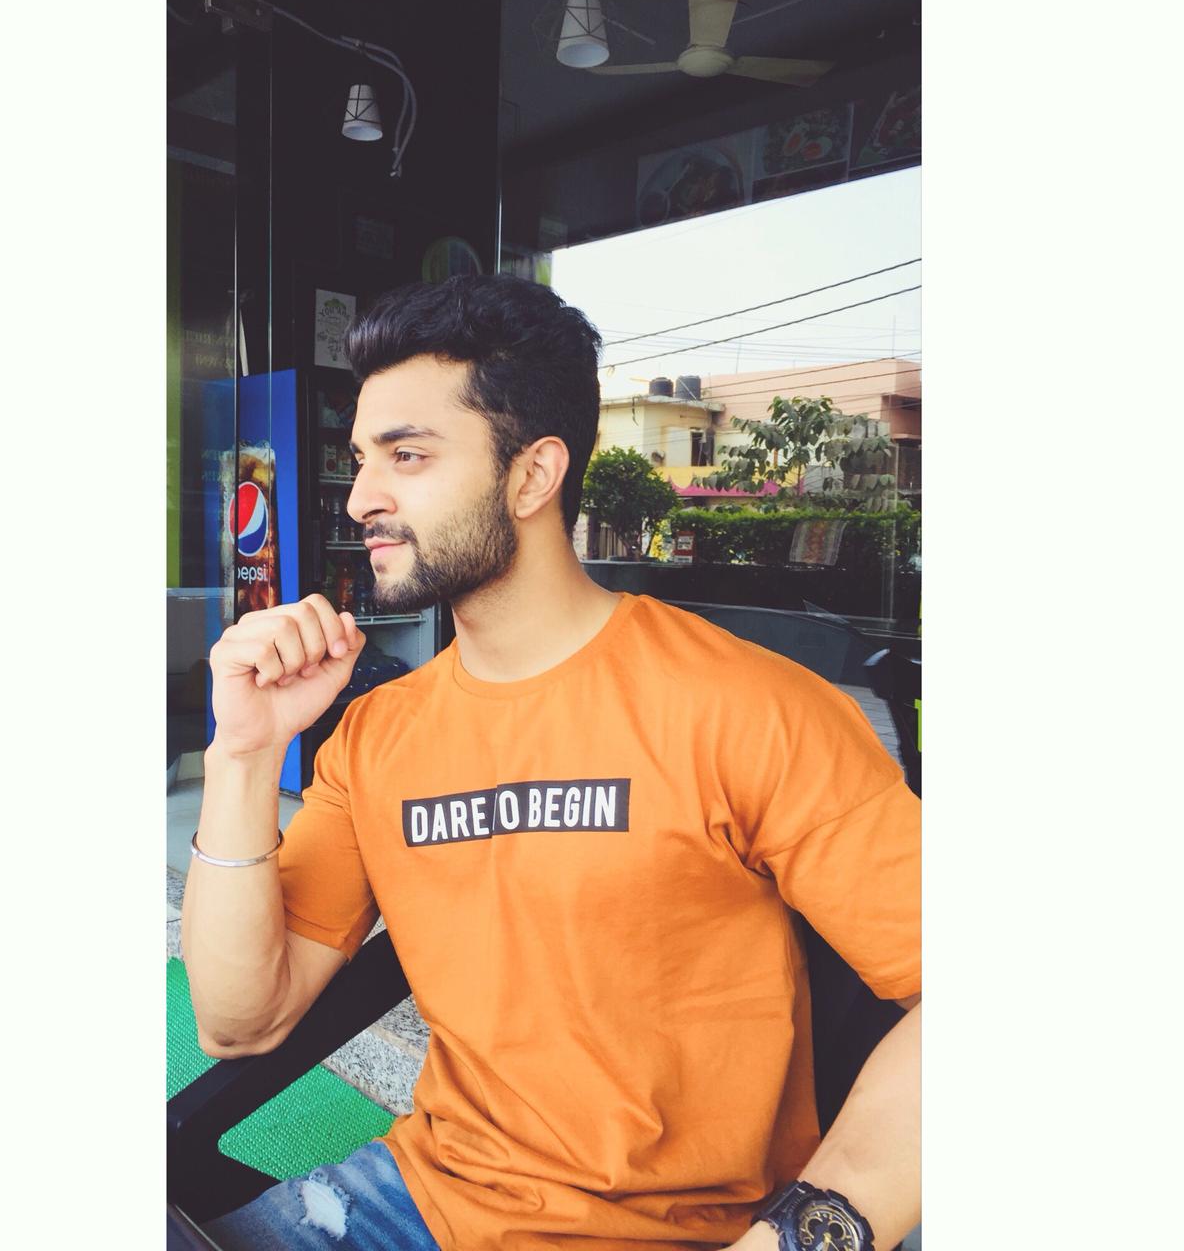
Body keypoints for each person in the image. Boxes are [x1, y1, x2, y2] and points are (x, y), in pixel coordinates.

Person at [182, 274, 920, 1251]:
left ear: (532, 476)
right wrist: (244, 752)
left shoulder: (750, 709)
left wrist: (810, 1232)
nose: (361, 498)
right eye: (361, 460)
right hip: (415, 1199)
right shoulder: (378, 734)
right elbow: (239, 1023)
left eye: (407, 455)